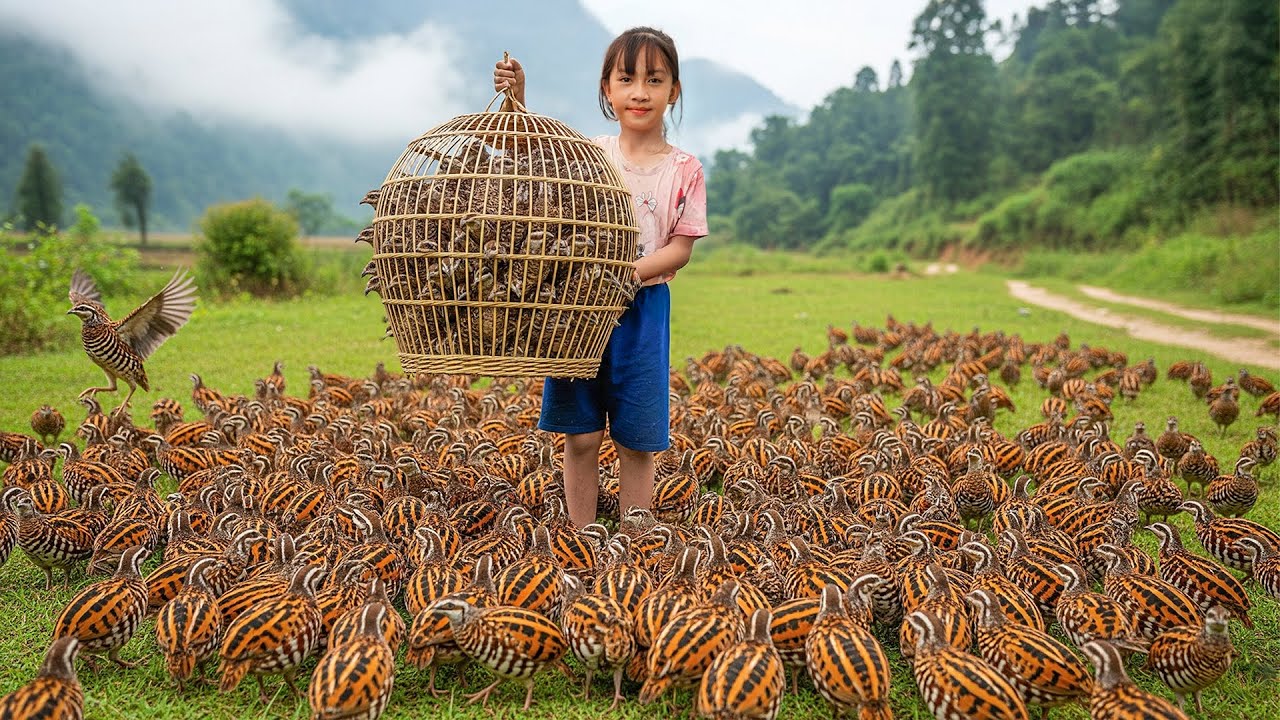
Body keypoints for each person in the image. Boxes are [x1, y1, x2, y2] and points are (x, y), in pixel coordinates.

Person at [494, 27, 708, 528]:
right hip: (577, 308)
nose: (640, 92)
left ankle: (635, 541)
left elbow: (679, 250)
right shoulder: (589, 155)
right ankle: (581, 537)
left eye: (654, 80)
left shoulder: (684, 169)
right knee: (582, 434)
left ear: (673, 91)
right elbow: (537, 159)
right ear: (607, 89)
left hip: (643, 311)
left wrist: (623, 272)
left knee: (636, 439)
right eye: (626, 78)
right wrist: (518, 99)